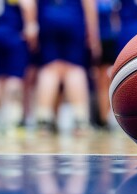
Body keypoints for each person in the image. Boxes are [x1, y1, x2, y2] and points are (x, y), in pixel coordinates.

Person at [35, 0, 101, 135]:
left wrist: (31, 23)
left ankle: (44, 120)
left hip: (48, 19)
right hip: (72, 18)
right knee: (74, 69)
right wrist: (94, 35)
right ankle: (80, 120)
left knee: (49, 69)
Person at [0, 0, 38, 136]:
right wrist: (30, 26)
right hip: (13, 33)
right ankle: (12, 118)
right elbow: (27, 5)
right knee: (15, 77)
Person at [94, 0, 119, 131]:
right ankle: (104, 119)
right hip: (102, 37)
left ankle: (111, 117)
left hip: (114, 37)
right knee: (102, 79)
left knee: (110, 78)